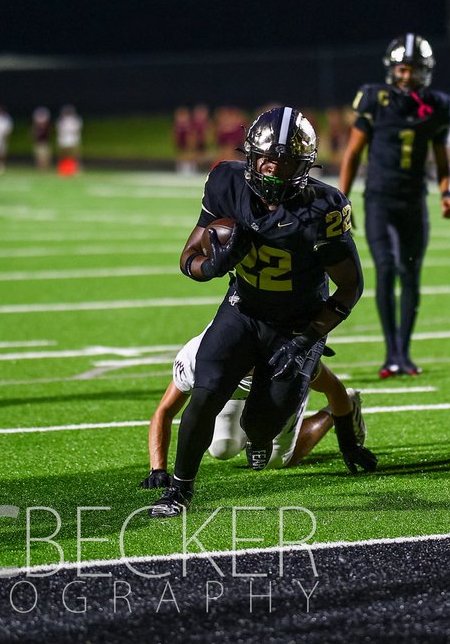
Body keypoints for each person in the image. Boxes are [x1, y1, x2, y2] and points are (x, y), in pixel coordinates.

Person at [151, 107, 372, 518]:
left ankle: (305, 413)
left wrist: (310, 336)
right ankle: (178, 492)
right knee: (205, 393)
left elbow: (351, 286)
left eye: (285, 161)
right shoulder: (226, 180)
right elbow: (189, 257)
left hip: (296, 323)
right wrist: (213, 266)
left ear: (303, 166)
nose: (273, 170)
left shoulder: (323, 207)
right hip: (244, 308)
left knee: (261, 429)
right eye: (267, 159)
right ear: (250, 156)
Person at [339, 33, 450, 378]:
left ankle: (404, 354)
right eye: (403, 69)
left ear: (426, 72)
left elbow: (443, 161)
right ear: (393, 69)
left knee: (411, 276)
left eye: (415, 70)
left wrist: (446, 193)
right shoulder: (376, 99)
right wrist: (341, 198)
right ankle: (392, 354)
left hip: (413, 202)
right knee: (387, 268)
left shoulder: (436, 105)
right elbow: (352, 153)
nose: (408, 76)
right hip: (379, 200)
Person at [139, 325, 368, 488]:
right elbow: (165, 411)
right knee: (222, 448)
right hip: (231, 391)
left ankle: (333, 412)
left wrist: (347, 442)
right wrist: (157, 469)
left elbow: (334, 388)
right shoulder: (196, 358)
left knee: (275, 459)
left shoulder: (285, 359)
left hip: (277, 390)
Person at [56, 104, 83, 171]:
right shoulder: (61, 120)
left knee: (75, 156)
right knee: (63, 156)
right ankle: (62, 168)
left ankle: (75, 169)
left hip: (73, 140)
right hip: (63, 141)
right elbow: (59, 131)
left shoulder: (76, 120)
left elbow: (78, 129)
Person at [173, 106, 194, 174]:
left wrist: (191, 143)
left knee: (188, 153)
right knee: (181, 153)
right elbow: (174, 134)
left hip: (187, 143)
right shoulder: (177, 125)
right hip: (180, 143)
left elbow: (191, 135)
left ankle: (189, 168)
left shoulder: (189, 125)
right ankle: (180, 168)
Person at [31, 106, 52, 171]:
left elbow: (49, 133)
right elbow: (32, 135)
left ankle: (46, 168)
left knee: (46, 157)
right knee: (39, 157)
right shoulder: (35, 127)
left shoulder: (47, 127)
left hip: (45, 142)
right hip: (38, 143)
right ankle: (40, 169)